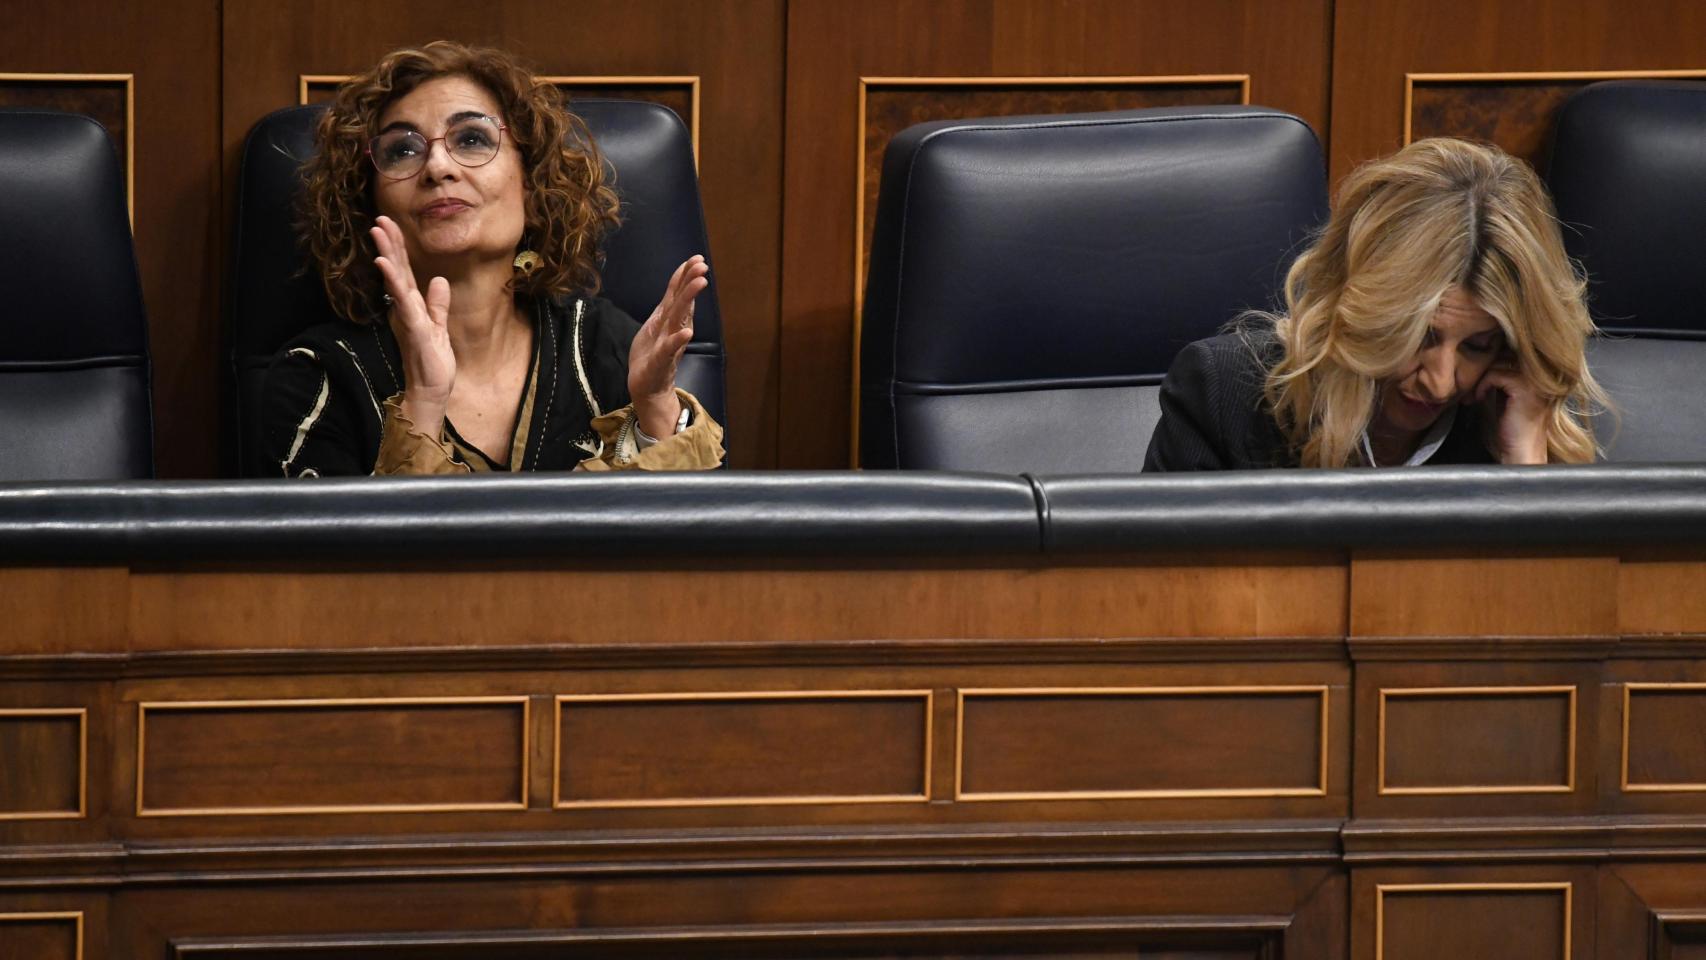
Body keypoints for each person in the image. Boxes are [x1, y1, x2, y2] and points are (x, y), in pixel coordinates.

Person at [261, 41, 723, 476]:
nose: (438, 167)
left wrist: (654, 407)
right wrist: (423, 404)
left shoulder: (604, 346)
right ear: (368, 202)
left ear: (532, 184)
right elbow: (343, 538)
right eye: (402, 149)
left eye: (471, 140)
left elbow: (690, 529)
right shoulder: (319, 375)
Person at [1143, 137, 1608, 472]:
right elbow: (1160, 577)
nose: (1440, 382)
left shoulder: (1512, 415)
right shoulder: (1223, 394)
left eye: (1477, 346)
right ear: (1362, 309)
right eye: (1421, 336)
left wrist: (1524, 464)